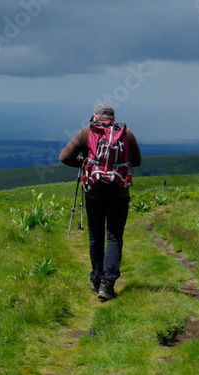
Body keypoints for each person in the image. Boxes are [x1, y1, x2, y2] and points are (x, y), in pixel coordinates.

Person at [60, 103, 142, 301]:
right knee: (114, 238)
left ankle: (96, 280)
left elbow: (65, 157)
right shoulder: (126, 133)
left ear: (95, 116)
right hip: (119, 194)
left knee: (95, 238)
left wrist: (86, 162)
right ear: (113, 118)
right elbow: (137, 162)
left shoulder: (87, 131)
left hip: (94, 193)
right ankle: (108, 284)